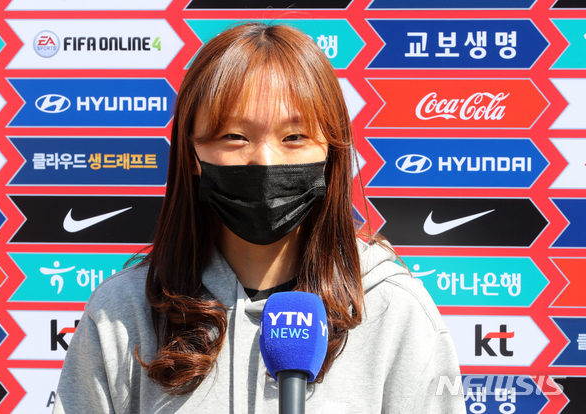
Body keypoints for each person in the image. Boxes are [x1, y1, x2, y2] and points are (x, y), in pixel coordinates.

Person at [53, 22, 466, 414]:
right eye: (235, 136)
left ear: (330, 152)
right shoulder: (123, 313)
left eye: (294, 137)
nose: (265, 161)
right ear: (192, 153)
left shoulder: (394, 310)